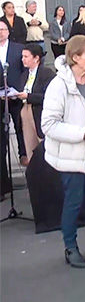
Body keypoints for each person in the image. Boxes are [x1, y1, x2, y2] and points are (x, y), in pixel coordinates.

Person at [40, 35, 85, 268]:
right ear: (75, 57)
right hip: (69, 158)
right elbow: (48, 125)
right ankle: (70, 247)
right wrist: (83, 133)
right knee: (73, 203)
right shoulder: (58, 85)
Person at [14, 44, 55, 165]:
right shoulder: (25, 75)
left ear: (36, 58)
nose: (23, 59)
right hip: (26, 111)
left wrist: (29, 96)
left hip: (39, 112)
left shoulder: (47, 74)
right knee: (30, 145)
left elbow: (49, 96)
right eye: (22, 56)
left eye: (26, 56)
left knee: (43, 145)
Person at [0, 20, 26, 190]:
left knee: (22, 131)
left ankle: (25, 159)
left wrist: (18, 90)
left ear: (8, 31)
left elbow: (25, 71)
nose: (0, 32)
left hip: (16, 97)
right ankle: (3, 183)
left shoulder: (19, 48)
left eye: (2, 29)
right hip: (0, 100)